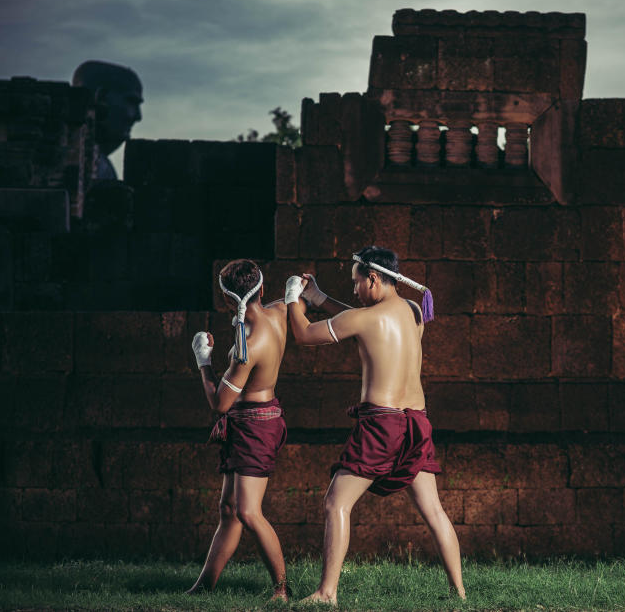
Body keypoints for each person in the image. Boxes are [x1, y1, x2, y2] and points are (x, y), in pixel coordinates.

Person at [285, 245, 465, 605]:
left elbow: (303, 335)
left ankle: (326, 592)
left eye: (356, 283)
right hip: (417, 422)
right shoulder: (413, 310)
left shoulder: (365, 319)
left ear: (374, 278)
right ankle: (460, 594)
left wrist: (293, 297)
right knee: (434, 511)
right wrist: (320, 297)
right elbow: (363, 319)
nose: (353, 290)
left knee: (336, 503)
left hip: (382, 425)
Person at [188, 259, 291, 601]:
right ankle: (204, 587)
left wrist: (203, 361)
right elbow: (296, 302)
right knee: (229, 510)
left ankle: (282, 588)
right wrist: (300, 290)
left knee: (247, 511)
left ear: (228, 301)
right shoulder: (280, 313)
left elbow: (220, 404)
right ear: (262, 289)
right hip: (261, 418)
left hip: (253, 425)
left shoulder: (248, 346)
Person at [71, 60, 143, 180]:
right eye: (131, 102)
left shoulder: (99, 165)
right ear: (101, 98)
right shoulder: (96, 168)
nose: (138, 117)